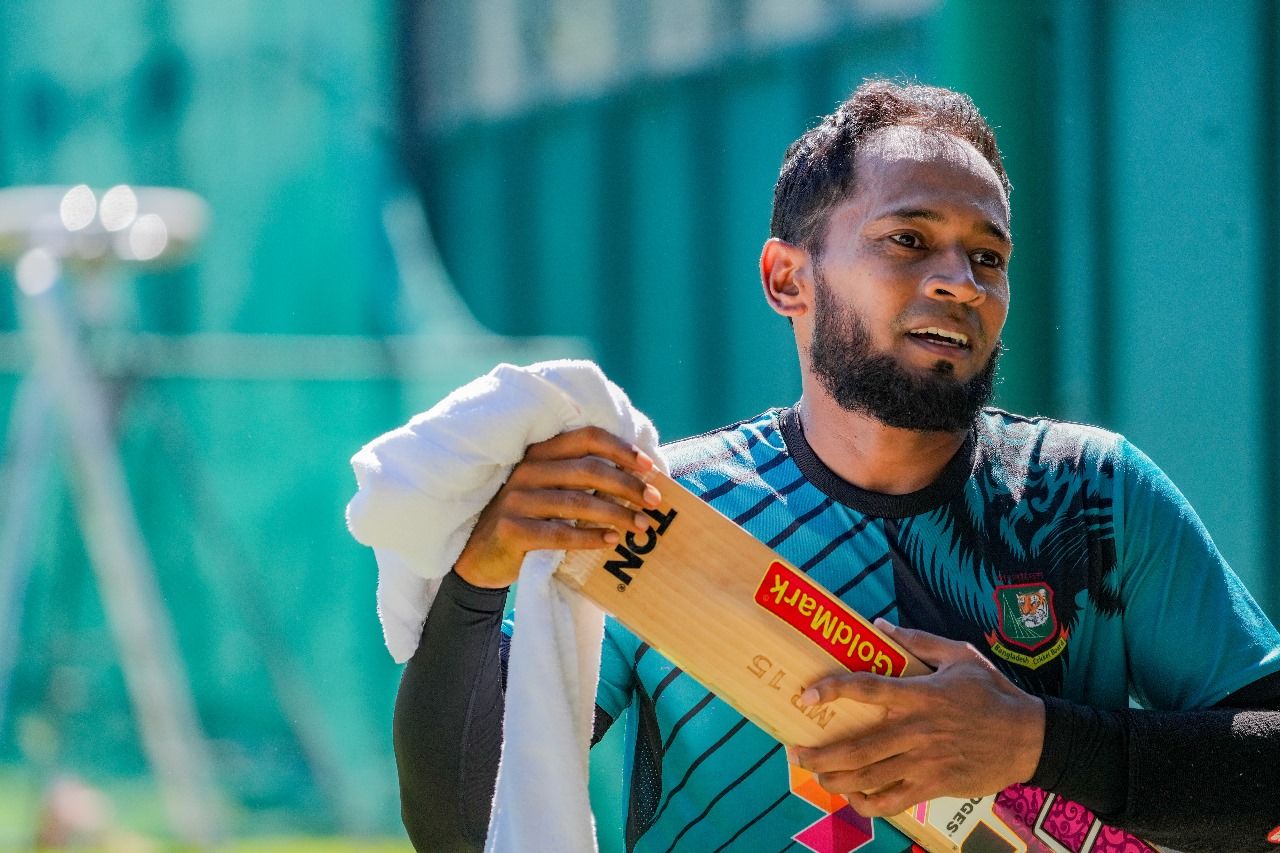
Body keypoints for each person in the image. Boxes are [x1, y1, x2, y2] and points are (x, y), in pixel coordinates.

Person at [392, 80, 1280, 852]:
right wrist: (478, 575)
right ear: (788, 279)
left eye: (989, 257)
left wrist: (1037, 743)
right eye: (907, 239)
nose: (961, 282)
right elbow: (467, 827)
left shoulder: (1093, 496)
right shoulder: (665, 511)